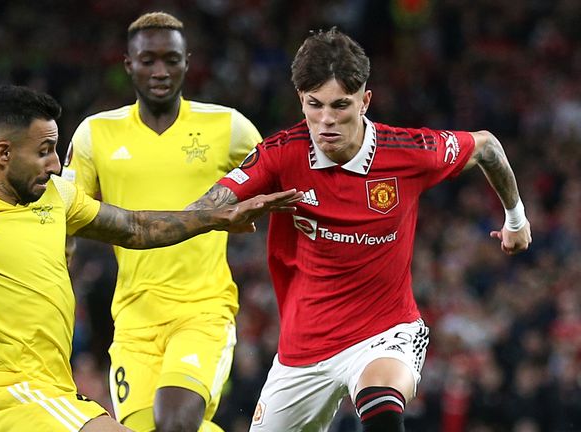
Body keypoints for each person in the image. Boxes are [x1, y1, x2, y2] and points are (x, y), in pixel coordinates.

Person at [0, 85, 302, 432]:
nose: (55, 162)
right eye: (45, 150)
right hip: (12, 395)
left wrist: (217, 216)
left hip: (58, 390)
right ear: (3, 153)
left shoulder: (56, 199)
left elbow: (133, 227)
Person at [189, 27, 532, 431]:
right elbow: (200, 209)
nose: (326, 120)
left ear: (365, 100)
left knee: (381, 409)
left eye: (340, 106)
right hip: (304, 348)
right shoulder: (281, 154)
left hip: (385, 331)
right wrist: (216, 216)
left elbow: (487, 146)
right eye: (314, 105)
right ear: (301, 100)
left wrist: (516, 220)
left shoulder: (408, 152)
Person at [62, 12, 262, 432]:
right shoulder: (95, 135)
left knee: (174, 422)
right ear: (128, 64)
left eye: (170, 59)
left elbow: (277, 175)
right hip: (134, 319)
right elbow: (63, 217)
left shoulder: (228, 128)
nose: (160, 71)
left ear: (188, 61)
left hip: (202, 311)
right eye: (148, 59)